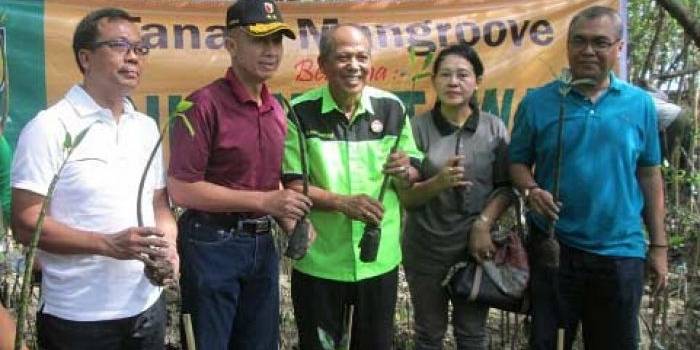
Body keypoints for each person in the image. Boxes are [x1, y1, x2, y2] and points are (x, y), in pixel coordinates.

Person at [11, 7, 177, 350]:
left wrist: (170, 248)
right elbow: (26, 223)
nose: (133, 57)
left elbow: (159, 203)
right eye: (120, 46)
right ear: (85, 58)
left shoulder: (144, 127)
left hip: (147, 307)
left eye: (140, 49)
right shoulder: (50, 128)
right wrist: (107, 244)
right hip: (79, 317)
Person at [509, 6, 667, 350]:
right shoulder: (538, 102)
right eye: (579, 41)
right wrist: (531, 189)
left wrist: (658, 245)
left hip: (621, 252)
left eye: (600, 42)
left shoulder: (639, 104)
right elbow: (517, 163)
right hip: (554, 248)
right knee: (549, 343)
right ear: (567, 46)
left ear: (618, 48)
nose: (588, 51)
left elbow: (650, 173)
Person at [167, 1, 311, 349]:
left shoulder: (277, 108)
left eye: (277, 41)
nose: (270, 51)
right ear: (231, 45)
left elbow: (266, 180)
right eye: (259, 40)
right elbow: (182, 189)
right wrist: (265, 201)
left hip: (262, 245)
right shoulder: (204, 104)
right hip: (211, 243)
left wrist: (289, 219)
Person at [282, 24, 423, 350]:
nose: (354, 65)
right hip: (320, 261)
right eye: (343, 57)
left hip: (379, 261)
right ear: (323, 64)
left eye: (362, 56)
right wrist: (343, 203)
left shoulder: (392, 108)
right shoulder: (300, 112)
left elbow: (413, 166)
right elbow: (292, 182)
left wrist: (406, 170)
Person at [400, 43, 513, 350]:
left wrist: (483, 225)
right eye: (446, 75)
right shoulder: (417, 127)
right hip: (426, 248)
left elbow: (506, 188)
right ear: (434, 80)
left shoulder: (494, 127)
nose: (453, 82)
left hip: (476, 250)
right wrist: (438, 182)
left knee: (472, 334)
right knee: (428, 334)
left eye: (463, 75)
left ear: (477, 80)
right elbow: (407, 199)